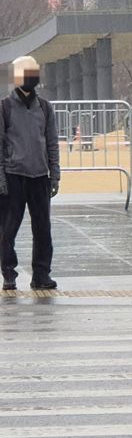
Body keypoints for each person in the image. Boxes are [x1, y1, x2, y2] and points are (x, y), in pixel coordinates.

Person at [0, 56, 59, 291]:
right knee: (7, 230)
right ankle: (9, 273)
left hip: (39, 177)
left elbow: (52, 142)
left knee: (43, 229)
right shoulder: (4, 107)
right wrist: (1, 179)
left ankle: (41, 275)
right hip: (13, 176)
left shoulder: (45, 107)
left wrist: (54, 173)